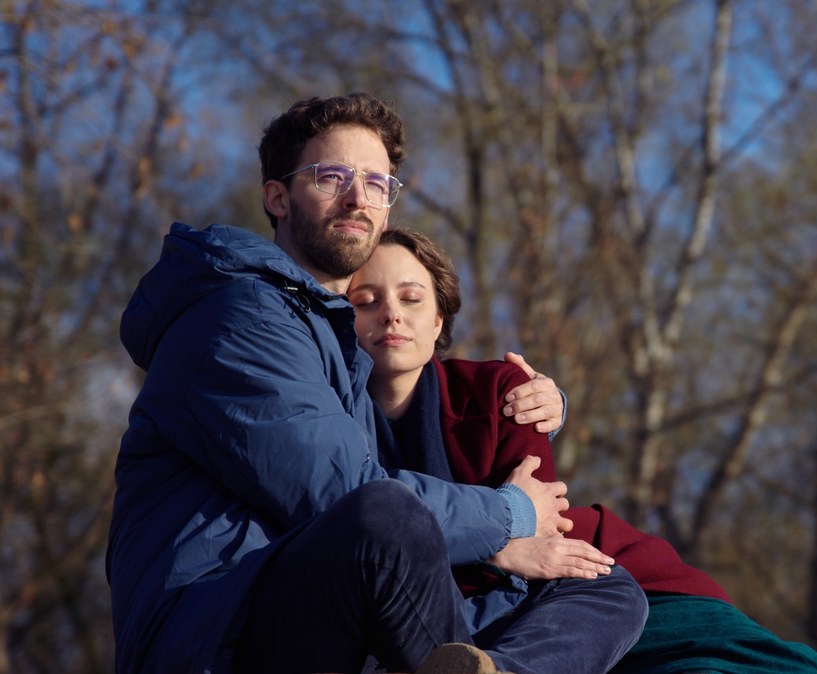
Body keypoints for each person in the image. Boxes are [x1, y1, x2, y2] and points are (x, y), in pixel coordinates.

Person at [107, 92, 644, 674]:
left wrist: (545, 399)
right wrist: (508, 516)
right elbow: (341, 493)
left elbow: (423, 404)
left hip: (317, 597)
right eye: (330, 176)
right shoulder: (239, 317)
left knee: (603, 587)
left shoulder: (339, 344)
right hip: (216, 623)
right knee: (384, 513)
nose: (358, 197)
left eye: (377, 183)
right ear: (278, 197)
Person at [351, 228, 817, 674]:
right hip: (449, 609)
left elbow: (543, 528)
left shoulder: (503, 390)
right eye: (367, 300)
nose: (391, 313)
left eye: (412, 298)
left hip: (572, 581)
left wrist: (504, 541)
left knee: (712, 647)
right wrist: (500, 543)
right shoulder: (329, 417)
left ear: (439, 321)